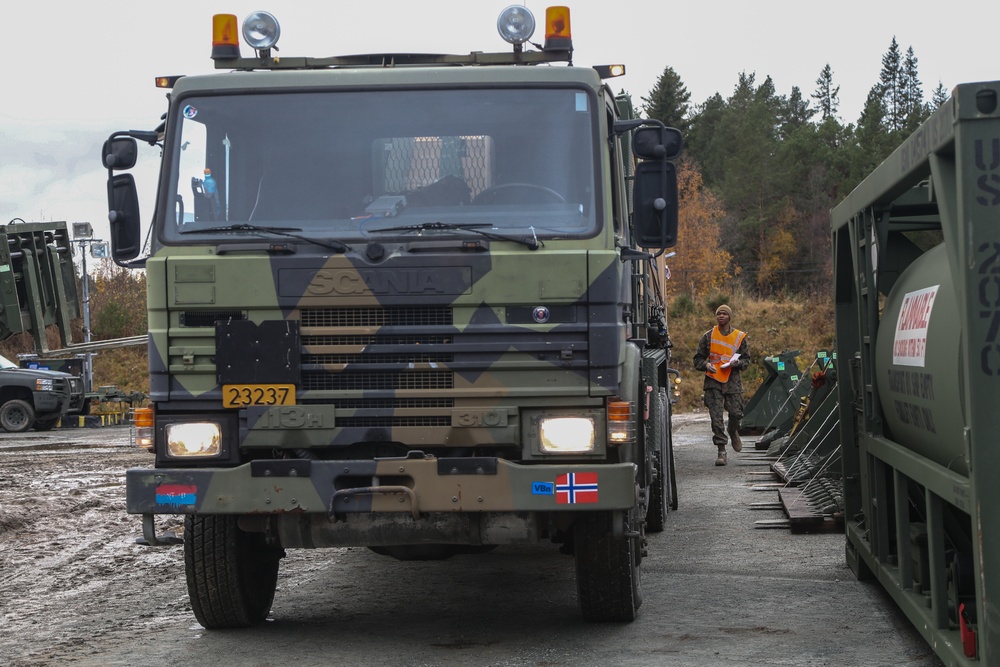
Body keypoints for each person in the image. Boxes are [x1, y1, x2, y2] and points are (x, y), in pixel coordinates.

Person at [692, 304, 751, 466]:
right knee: (716, 418)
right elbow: (697, 359)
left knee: (736, 413)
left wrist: (737, 363)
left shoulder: (739, 337)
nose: (721, 316)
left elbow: (747, 361)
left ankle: (733, 430)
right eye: (719, 314)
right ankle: (721, 451)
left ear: (729, 317)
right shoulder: (708, 336)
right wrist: (706, 365)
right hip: (713, 381)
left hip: (732, 381)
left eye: (724, 314)